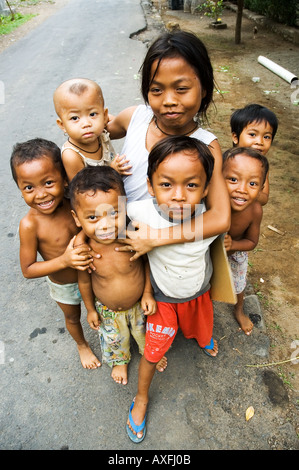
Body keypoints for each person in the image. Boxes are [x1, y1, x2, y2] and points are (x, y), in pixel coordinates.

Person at [125, 136, 219, 443]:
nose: (178, 196)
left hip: (198, 293)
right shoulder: (139, 213)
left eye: (191, 185)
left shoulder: (210, 220)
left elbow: (225, 239)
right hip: (162, 301)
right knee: (152, 353)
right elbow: (104, 222)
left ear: (206, 188)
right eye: (166, 185)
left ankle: (202, 338)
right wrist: (146, 292)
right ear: (150, 186)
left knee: (201, 328)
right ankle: (141, 398)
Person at [107, 31, 230, 257]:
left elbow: (220, 217)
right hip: (117, 248)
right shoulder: (133, 118)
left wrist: (156, 238)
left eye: (181, 89)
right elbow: (96, 135)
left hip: (166, 256)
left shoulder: (206, 146)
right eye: (156, 90)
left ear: (203, 89)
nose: (169, 100)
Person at [69, 166, 167, 385]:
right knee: (115, 340)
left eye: (114, 213)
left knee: (146, 334)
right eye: (93, 217)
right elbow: (84, 281)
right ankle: (120, 360)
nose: (105, 225)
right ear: (77, 219)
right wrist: (91, 309)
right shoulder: (85, 251)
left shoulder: (131, 238)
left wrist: (148, 294)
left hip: (140, 304)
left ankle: (148, 353)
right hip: (108, 311)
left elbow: (147, 264)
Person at [10, 138, 101, 369]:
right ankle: (81, 344)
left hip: (94, 273)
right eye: (29, 187)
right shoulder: (30, 225)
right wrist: (64, 260)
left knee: (104, 310)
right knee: (72, 317)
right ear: (20, 190)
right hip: (65, 284)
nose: (40, 194)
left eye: (48, 182)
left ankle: (113, 339)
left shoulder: (74, 203)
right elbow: (28, 270)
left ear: (64, 179)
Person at [222, 147, 269, 335]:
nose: (241, 189)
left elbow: (251, 241)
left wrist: (233, 245)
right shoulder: (213, 200)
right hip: (209, 251)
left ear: (261, 187)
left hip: (236, 252)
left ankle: (238, 309)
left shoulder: (255, 210)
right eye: (233, 179)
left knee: (238, 285)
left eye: (252, 183)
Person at [53, 78, 131, 182]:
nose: (86, 124)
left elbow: (123, 125)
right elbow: (82, 190)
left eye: (92, 114)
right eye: (75, 118)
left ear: (104, 116)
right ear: (62, 125)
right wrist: (112, 172)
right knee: (120, 198)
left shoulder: (101, 128)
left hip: (117, 188)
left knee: (124, 197)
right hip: (97, 193)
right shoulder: (71, 155)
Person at [230, 103, 278, 205]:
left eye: (266, 137)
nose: (260, 142)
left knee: (256, 210)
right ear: (235, 137)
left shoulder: (262, 166)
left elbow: (264, 198)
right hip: (220, 209)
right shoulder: (227, 161)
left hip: (242, 206)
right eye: (252, 134)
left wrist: (250, 191)